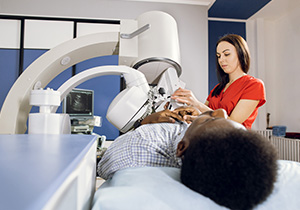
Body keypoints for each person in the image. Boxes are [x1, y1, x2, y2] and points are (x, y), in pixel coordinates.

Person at [97, 107, 278, 210]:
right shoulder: (211, 155)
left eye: (209, 120)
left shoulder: (140, 147)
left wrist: (143, 123)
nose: (221, 110)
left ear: (181, 147)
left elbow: (106, 164)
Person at [171, 34, 266, 129]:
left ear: (241, 54)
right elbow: (203, 115)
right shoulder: (218, 88)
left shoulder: (254, 85)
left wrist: (196, 103)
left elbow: (232, 124)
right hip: (211, 138)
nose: (221, 60)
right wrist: (184, 111)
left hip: (235, 141)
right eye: (218, 56)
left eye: (227, 54)